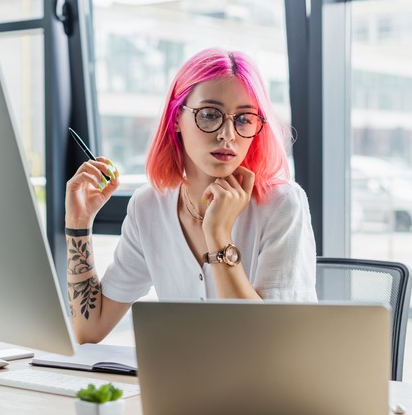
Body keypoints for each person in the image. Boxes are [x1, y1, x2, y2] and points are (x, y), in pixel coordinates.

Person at [65, 48, 317, 344]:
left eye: (244, 119)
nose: (227, 134)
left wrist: (219, 236)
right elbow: (89, 328)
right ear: (175, 119)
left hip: (264, 389)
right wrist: (78, 223)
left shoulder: (281, 205)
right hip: (181, 383)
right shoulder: (149, 206)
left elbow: (271, 346)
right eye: (210, 115)